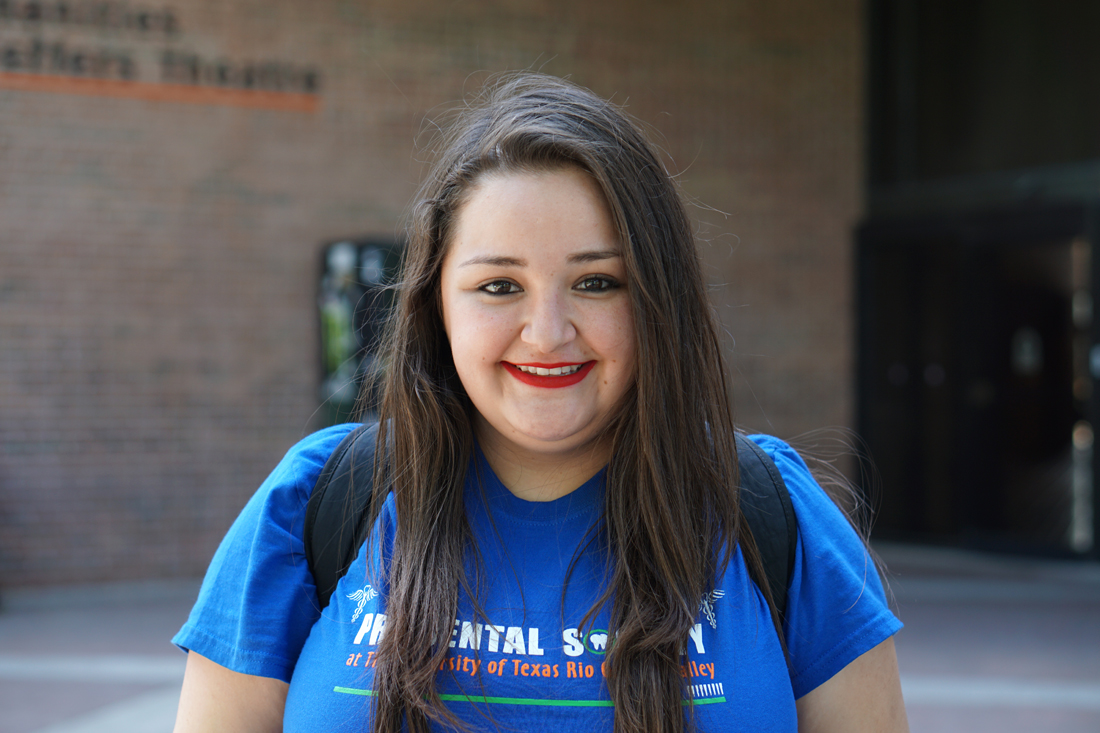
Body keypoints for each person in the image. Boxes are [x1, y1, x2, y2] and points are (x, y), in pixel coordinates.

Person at [172, 73, 908, 733]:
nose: (548, 333)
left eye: (597, 283)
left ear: (659, 300)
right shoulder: (316, 503)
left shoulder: (773, 516)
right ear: (437, 305)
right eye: (499, 286)